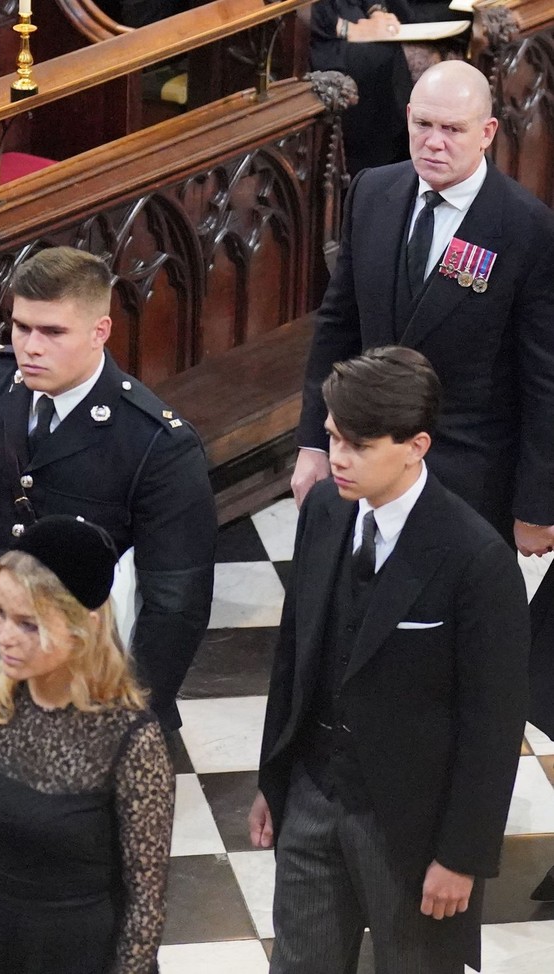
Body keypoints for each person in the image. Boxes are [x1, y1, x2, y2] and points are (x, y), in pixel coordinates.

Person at [0, 245, 216, 973]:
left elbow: (176, 603)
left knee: (57, 882)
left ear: (100, 332)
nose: (29, 347)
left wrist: (123, 717)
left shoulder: (154, 446)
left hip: (80, 696)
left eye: (51, 332)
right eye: (20, 327)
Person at [249, 346, 529, 974]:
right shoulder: (323, 510)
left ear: (416, 445)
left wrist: (462, 856)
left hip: (410, 828)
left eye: (358, 445)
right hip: (313, 795)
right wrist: (275, 778)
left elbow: (493, 725)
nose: (338, 459)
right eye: (331, 438)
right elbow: (295, 656)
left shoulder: (474, 559)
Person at [292, 60, 554, 558]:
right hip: (368, 459)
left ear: (487, 132)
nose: (434, 142)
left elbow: (544, 380)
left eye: (452, 129)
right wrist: (312, 441)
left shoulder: (527, 229)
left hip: (467, 477)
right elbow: (337, 328)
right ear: (408, 117)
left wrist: (537, 505)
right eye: (423, 125)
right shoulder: (372, 191)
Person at [0, 514, 174, 974]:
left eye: (29, 624)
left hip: (77, 953)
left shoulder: (131, 740)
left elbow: (145, 904)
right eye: (0, 613)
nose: (6, 637)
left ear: (84, 625)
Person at [310, 0, 469, 174]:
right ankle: (385, 168)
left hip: (357, 17)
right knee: (393, 59)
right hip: (320, 37)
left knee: (437, 53)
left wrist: (377, 11)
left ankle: (440, 154)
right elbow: (299, 11)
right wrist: (347, 28)